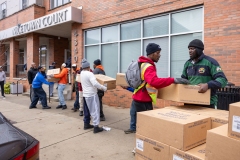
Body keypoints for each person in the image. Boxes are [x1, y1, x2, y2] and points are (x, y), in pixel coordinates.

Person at [127, 43, 189, 134]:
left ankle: (135, 131)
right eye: (158, 53)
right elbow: (154, 82)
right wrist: (172, 80)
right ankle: (143, 141)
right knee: (146, 125)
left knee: (135, 117)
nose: (159, 55)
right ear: (152, 54)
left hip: (137, 96)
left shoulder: (142, 63)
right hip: (144, 99)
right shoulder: (148, 67)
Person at [181, 39, 228, 108]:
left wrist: (208, 85)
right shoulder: (187, 64)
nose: (190, 51)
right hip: (190, 102)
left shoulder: (210, 62)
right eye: (189, 49)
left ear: (199, 50)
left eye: (192, 49)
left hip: (207, 103)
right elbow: (183, 80)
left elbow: (223, 80)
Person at [81, 59, 107, 134]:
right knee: (95, 110)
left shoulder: (82, 73)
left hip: (85, 95)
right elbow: (95, 84)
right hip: (92, 94)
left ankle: (86, 124)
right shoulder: (90, 74)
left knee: (87, 110)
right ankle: (96, 127)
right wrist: (103, 88)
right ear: (88, 66)